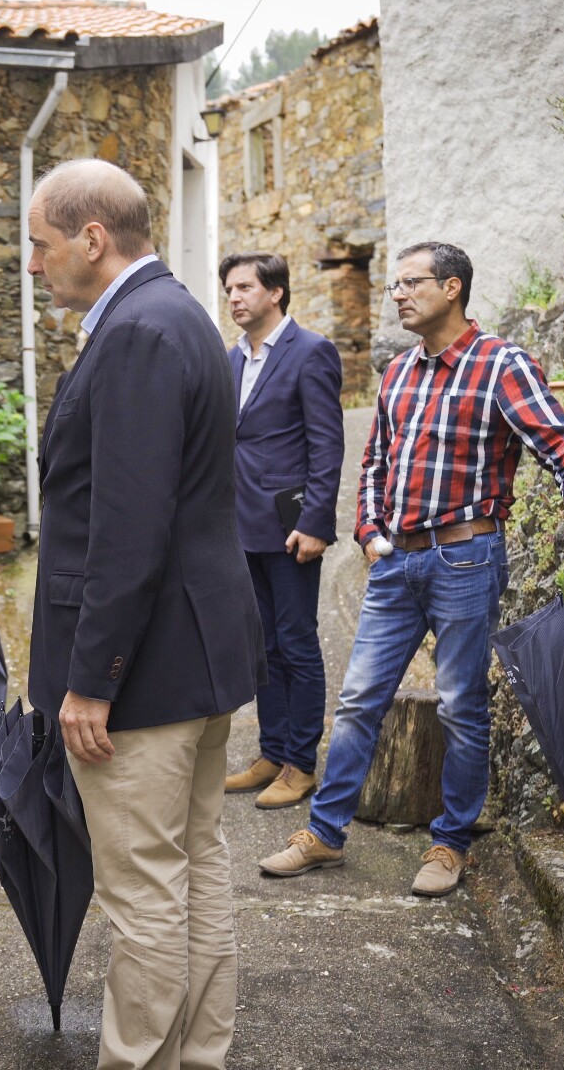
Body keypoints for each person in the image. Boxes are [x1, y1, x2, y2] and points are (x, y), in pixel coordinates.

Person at [258, 241, 564, 897]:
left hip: (465, 558)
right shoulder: (397, 372)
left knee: (459, 707)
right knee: (359, 701)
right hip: (396, 563)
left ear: (452, 288)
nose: (397, 293)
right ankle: (325, 833)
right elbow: (375, 464)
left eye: (411, 282)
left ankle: (450, 844)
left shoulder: (501, 364)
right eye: (394, 284)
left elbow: (561, 439)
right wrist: (370, 532)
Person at [26, 159, 264, 1070]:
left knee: (144, 891)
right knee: (195, 867)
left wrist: (93, 679)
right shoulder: (181, 315)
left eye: (42, 245)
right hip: (194, 655)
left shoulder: (134, 333)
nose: (34, 264)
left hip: (145, 672)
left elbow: (128, 529)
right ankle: (197, 1057)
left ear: (93, 239)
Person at [215, 252, 345, 810]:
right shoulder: (229, 359)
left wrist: (315, 522)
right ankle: (271, 752)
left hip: (291, 528)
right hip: (240, 528)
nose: (234, 297)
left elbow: (327, 444)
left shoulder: (311, 351)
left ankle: (300, 763)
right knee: (260, 647)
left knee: (296, 643)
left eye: (245, 287)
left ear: (276, 292)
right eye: (229, 289)